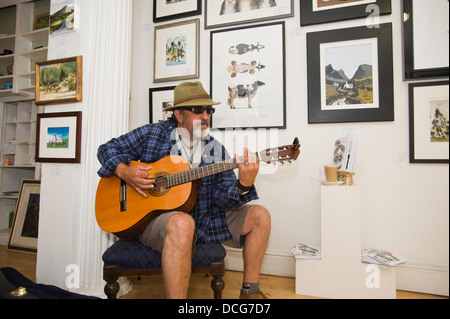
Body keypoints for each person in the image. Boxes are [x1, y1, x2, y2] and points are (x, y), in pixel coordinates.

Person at [97, 81, 271, 299]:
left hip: (205, 218)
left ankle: (250, 292)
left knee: (260, 216)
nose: (206, 115)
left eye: (209, 110)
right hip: (154, 219)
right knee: (182, 223)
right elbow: (106, 149)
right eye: (198, 110)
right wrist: (124, 171)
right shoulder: (153, 133)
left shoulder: (215, 149)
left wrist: (243, 185)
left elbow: (224, 197)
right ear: (179, 115)